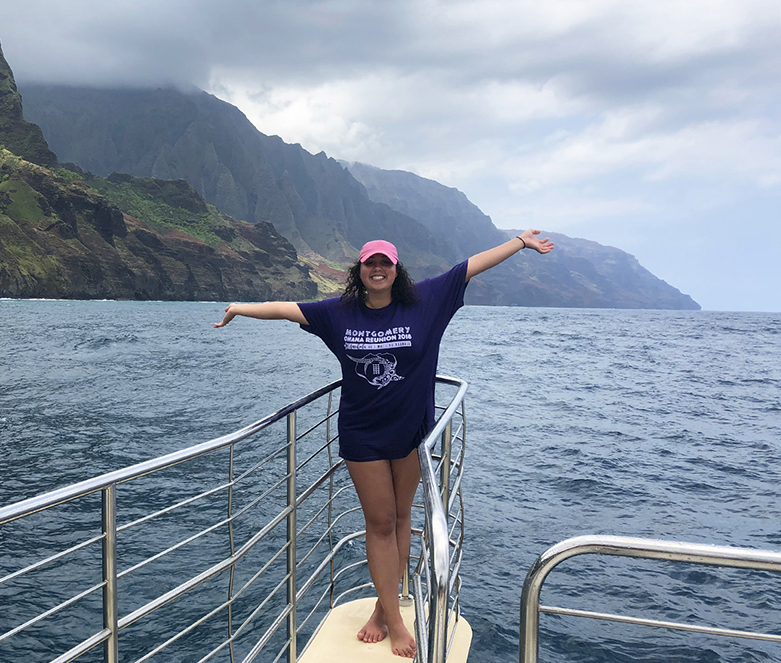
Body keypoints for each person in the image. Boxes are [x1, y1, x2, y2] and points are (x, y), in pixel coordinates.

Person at [215, 231, 553, 657]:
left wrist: (520, 242)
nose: (378, 269)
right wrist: (237, 310)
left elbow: (471, 265)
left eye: (385, 263)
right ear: (359, 270)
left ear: (396, 270)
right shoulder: (337, 313)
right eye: (370, 263)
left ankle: (381, 608)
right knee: (379, 522)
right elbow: (284, 310)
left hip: (411, 431)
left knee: (400, 519)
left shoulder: (425, 301)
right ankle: (395, 619)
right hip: (363, 433)